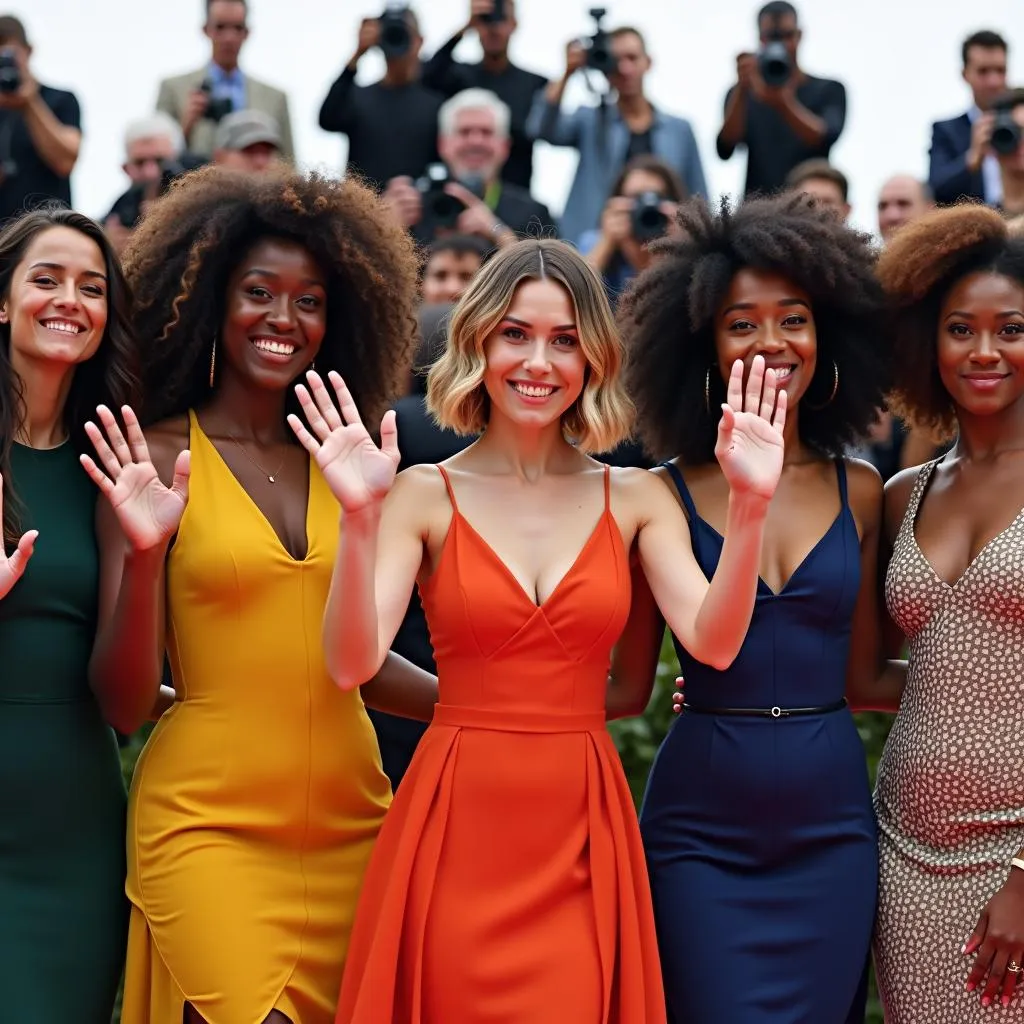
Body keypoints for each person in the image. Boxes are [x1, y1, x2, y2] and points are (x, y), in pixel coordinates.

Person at [287, 237, 789, 1021]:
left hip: (581, 831)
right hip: (453, 827)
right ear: (479, 340)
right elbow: (351, 664)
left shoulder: (637, 497)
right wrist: (358, 519)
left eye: (564, 341)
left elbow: (714, 642)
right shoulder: (420, 493)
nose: (539, 362)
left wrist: (751, 507)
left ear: (593, 357)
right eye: (516, 334)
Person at [80, 165, 428, 1024]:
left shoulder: (350, 463)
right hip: (208, 820)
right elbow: (125, 702)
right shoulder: (154, 457)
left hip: (351, 815)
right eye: (258, 292)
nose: (284, 318)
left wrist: (495, 705)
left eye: (309, 300)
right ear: (206, 301)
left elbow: (355, 660)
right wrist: (148, 554)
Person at [618, 193, 895, 1022]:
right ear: (701, 342)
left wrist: (982, 691)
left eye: (795, 319)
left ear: (829, 335)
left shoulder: (865, 491)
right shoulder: (656, 493)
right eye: (743, 323)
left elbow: (869, 677)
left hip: (831, 831)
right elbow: (628, 684)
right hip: (700, 830)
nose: (772, 342)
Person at [873, 204, 1024, 1021]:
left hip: (1016, 857)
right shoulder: (906, 493)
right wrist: (740, 691)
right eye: (961, 329)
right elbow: (874, 675)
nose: (985, 351)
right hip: (902, 849)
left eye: (1012, 328)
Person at [0, 206, 138, 1020]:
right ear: (5, 301)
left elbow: (124, 701)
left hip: (73, 822)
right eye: (46, 280)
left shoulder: (113, 462)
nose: (71, 300)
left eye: (92, 287)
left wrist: (147, 554)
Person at [527, 26, 706, 244]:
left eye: (632, 58)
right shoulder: (590, 120)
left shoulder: (680, 130)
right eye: (616, 60)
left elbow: (699, 197)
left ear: (648, 62)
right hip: (596, 243)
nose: (624, 68)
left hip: (664, 242)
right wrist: (568, 73)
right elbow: (541, 129)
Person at [716, 2, 846, 197]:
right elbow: (725, 148)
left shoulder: (829, 89)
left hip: (810, 207)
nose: (781, 45)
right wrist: (743, 88)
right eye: (772, 37)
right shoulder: (741, 94)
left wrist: (784, 104)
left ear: (799, 35)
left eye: (787, 35)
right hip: (758, 213)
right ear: (761, 38)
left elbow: (825, 137)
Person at [421, 0, 546, 190]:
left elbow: (538, 130)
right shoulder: (459, 77)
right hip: (459, 192)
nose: (493, 28)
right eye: (485, 20)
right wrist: (465, 27)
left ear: (514, 24)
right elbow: (427, 76)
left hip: (515, 199)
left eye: (501, 19)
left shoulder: (535, 84)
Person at [319, 8, 442, 189]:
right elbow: (327, 120)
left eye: (403, 33)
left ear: (419, 41)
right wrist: (357, 54)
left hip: (416, 211)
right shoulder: (358, 97)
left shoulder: (436, 105)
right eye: (390, 34)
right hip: (363, 211)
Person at [156, 0, 294, 161]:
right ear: (206, 30)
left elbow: (289, 163)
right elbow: (155, 162)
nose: (229, 37)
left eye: (237, 28)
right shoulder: (173, 88)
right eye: (220, 27)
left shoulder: (275, 98)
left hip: (260, 185)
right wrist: (185, 125)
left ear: (247, 33)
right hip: (196, 182)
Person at [0, 15, 82, 223]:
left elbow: (65, 161)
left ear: (28, 51)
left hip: (49, 230)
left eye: (8, 53)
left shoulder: (60, 100)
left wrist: (29, 103)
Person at [579, 154, 686, 304]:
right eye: (636, 199)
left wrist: (681, 247)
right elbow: (573, 295)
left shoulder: (689, 249)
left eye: (657, 198)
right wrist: (606, 243)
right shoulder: (594, 242)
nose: (647, 208)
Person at [928, 30, 1009, 207]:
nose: (994, 81)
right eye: (983, 71)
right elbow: (935, 190)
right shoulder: (945, 130)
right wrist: (972, 159)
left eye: (1000, 70)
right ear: (965, 74)